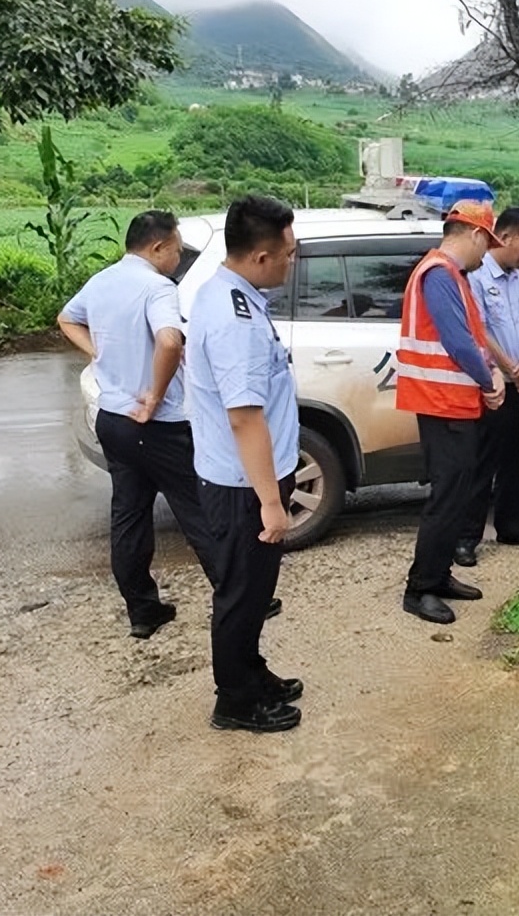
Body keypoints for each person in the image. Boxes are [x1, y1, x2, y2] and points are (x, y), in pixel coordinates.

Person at [57, 209, 221, 640]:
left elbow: (66, 319)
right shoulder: (156, 287)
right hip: (158, 423)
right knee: (198, 509)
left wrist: (99, 354)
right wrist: (154, 392)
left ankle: (143, 611)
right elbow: (170, 339)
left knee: (129, 515)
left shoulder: (102, 281)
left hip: (113, 420)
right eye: (177, 249)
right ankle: (238, 593)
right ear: (157, 247)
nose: (178, 258)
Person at [185, 195, 303, 733]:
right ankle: (234, 701)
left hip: (245, 478)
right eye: (289, 253)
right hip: (243, 487)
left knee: (254, 592)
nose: (291, 261)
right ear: (260, 257)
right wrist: (272, 504)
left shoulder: (234, 294)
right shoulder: (234, 319)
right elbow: (244, 418)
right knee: (240, 594)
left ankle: (250, 672)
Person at [395, 200, 507, 625]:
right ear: (477, 234)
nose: (486, 253)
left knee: (456, 493)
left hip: (451, 404)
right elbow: (459, 344)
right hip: (442, 404)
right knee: (446, 498)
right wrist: (488, 382)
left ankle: (439, 575)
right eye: (488, 242)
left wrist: (486, 378)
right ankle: (420, 587)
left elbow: (469, 340)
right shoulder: (440, 274)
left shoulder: (447, 274)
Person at [455, 206, 519, 568]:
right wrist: (509, 366)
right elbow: (478, 329)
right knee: (482, 463)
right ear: (504, 237)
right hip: (491, 383)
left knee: (514, 460)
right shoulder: (475, 276)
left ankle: (511, 525)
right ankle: (466, 537)